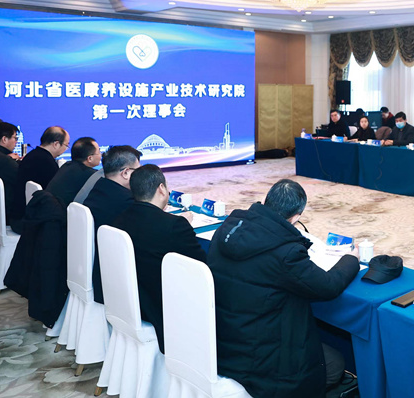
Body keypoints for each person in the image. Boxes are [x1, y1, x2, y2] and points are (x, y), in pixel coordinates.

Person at [208, 179, 359, 398]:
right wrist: (350, 259)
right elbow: (328, 286)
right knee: (334, 364)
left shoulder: (227, 228)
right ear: (296, 217)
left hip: (223, 344)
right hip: (261, 363)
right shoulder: (286, 253)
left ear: (265, 201)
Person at [111, 164, 205, 352]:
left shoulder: (119, 219)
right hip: (161, 309)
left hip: (128, 303)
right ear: (161, 189)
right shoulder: (174, 226)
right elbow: (202, 268)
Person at [85, 146, 141, 304]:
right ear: (126, 173)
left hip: (94, 266)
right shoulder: (125, 201)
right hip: (112, 278)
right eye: (138, 171)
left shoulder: (100, 187)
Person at [10, 126, 69, 233]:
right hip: (30, 222)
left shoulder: (32, 155)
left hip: (21, 216)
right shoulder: (47, 162)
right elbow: (56, 195)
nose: (66, 149)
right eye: (66, 145)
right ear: (56, 144)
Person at [46, 137, 101, 207]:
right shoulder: (91, 176)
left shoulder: (67, 165)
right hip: (60, 212)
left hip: (46, 208)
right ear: (90, 158)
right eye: (99, 152)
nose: (101, 154)